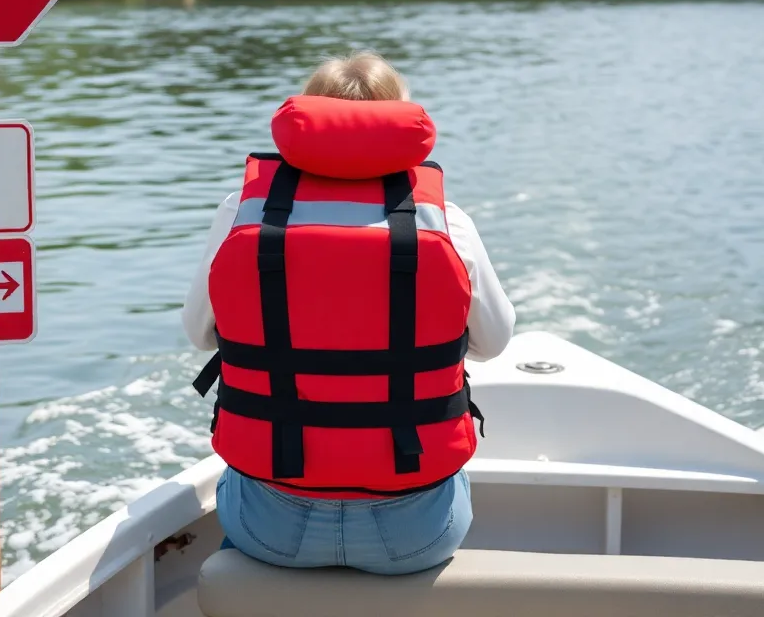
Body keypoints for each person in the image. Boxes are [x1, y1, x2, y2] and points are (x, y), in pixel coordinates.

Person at [182, 52, 515, 575]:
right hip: (414, 534)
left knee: (234, 496)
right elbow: (493, 343)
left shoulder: (241, 210)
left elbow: (200, 335)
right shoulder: (445, 221)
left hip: (270, 529)